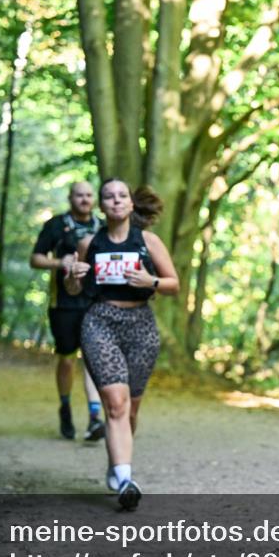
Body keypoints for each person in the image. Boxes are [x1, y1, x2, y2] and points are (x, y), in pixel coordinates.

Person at [65, 179, 178, 510]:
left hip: (141, 326)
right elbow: (74, 290)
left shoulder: (147, 241)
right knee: (115, 403)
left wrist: (151, 280)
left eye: (122, 196)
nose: (115, 202)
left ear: (131, 204)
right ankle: (126, 480)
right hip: (100, 322)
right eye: (109, 197)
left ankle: (117, 465)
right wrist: (72, 276)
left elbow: (174, 284)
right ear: (101, 207)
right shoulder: (89, 243)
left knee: (131, 409)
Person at [30, 181, 107, 441]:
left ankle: (95, 417)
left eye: (88, 195)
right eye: (79, 195)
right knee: (66, 359)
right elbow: (36, 258)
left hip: (95, 303)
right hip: (62, 304)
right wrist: (58, 262)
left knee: (93, 357)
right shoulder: (56, 225)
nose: (84, 200)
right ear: (70, 198)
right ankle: (65, 406)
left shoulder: (102, 227)